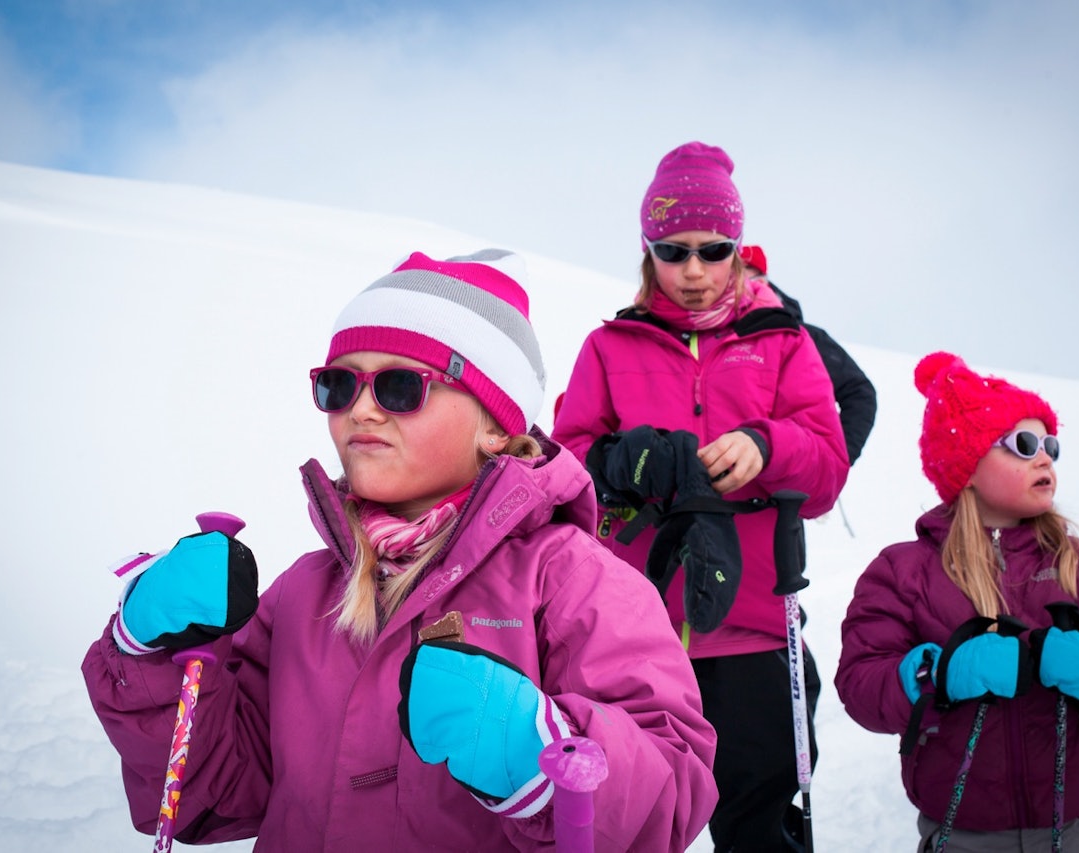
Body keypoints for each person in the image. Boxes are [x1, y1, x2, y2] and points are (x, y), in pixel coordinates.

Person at [82, 249, 718, 852]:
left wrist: (544, 759)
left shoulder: (573, 579)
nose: (361, 410)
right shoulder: (304, 592)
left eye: (399, 387)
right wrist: (152, 657)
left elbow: (671, 789)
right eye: (338, 385)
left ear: (496, 426)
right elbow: (219, 793)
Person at [552, 141, 850, 852]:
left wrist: (768, 446)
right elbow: (564, 471)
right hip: (633, 636)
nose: (693, 270)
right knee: (628, 829)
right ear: (647, 250)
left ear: (739, 250)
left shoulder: (782, 343)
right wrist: (619, 460)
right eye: (672, 250)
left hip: (755, 631)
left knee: (759, 831)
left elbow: (827, 471)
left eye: (714, 251)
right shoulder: (609, 347)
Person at [836, 352, 1079, 852]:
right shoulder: (904, 572)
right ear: (967, 467)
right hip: (962, 833)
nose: (1045, 459)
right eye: (1024, 445)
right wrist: (939, 674)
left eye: (1050, 446)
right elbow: (861, 685)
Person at [739, 244, 877, 465]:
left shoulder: (803, 337)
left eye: (742, 280)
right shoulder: (705, 336)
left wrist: (834, 459)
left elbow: (859, 392)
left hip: (786, 476)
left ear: (762, 282)